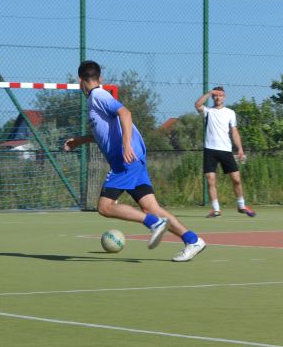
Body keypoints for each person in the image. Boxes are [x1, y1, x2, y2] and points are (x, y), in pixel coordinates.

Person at [64, 60, 208, 262]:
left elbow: (125, 113)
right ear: (100, 77)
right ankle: (193, 240)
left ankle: (154, 223)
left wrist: (126, 145)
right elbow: (104, 134)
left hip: (125, 160)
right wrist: (79, 141)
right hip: (134, 159)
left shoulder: (98, 96)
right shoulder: (95, 100)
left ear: (80, 80)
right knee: (152, 208)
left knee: (105, 207)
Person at [195, 86, 256, 218]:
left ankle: (241, 206)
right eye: (216, 95)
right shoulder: (208, 111)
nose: (218, 98)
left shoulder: (230, 113)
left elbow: (234, 131)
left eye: (221, 95)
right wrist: (209, 92)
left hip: (226, 150)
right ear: (213, 97)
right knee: (210, 179)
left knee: (236, 179)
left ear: (224, 97)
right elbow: (197, 105)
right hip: (210, 150)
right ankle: (216, 210)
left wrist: (240, 148)